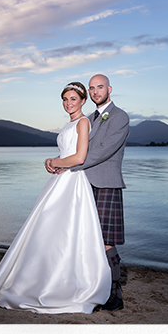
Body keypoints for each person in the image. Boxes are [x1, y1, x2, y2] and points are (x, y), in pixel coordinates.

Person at [0, 81, 111, 313]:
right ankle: (41, 278)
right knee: (47, 231)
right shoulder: (69, 124)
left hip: (72, 182)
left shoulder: (83, 122)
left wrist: (54, 162)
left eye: (73, 99)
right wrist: (51, 161)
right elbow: (66, 153)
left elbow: (80, 157)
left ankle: (61, 284)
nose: (68, 103)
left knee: (64, 231)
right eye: (65, 99)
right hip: (60, 180)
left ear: (83, 101)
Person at [50, 73, 132, 311]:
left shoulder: (120, 116)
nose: (96, 91)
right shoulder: (89, 119)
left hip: (106, 183)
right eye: (92, 88)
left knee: (107, 241)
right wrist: (63, 163)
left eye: (100, 87)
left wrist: (66, 164)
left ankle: (115, 293)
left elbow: (102, 152)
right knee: (86, 239)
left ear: (109, 89)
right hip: (83, 184)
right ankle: (93, 287)